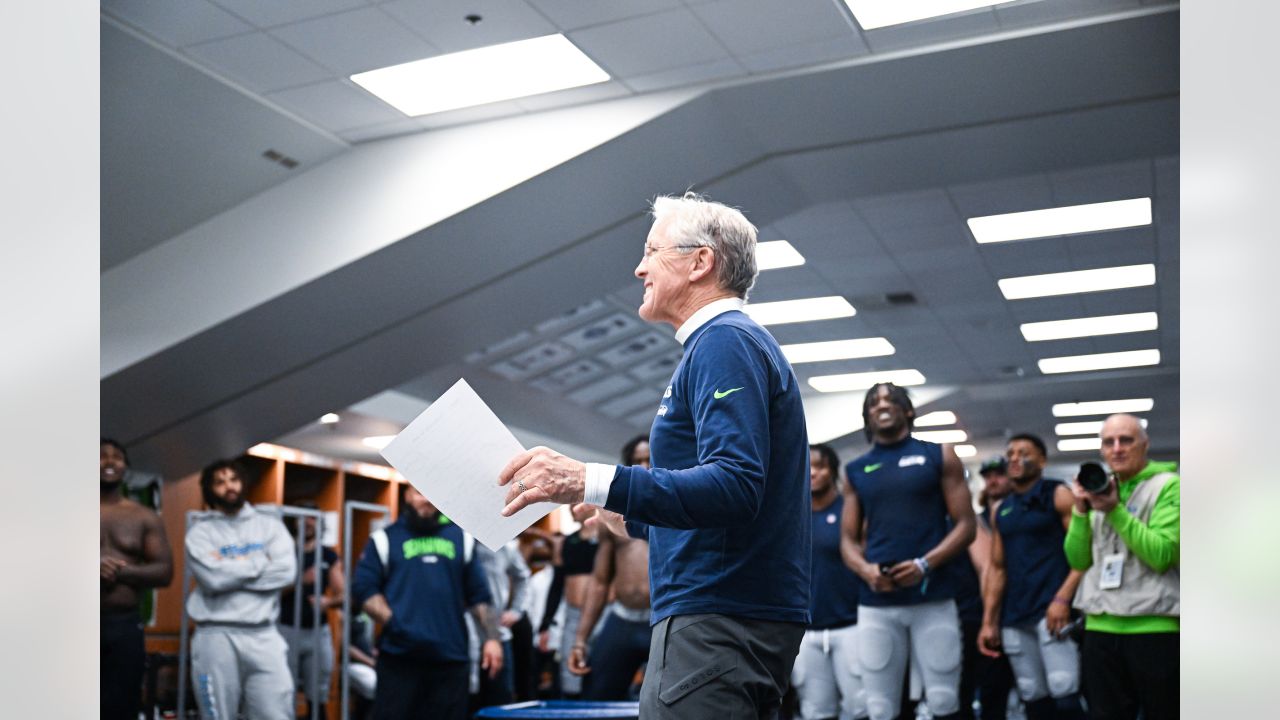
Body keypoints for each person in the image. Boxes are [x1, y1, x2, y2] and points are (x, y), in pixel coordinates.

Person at [498, 192, 812, 718]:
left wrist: (590, 480)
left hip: (718, 617)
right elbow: (723, 504)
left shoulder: (724, 342)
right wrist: (633, 517)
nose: (639, 267)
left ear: (700, 262)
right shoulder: (722, 344)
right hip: (727, 612)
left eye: (652, 250)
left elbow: (735, 486)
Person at [840, 383, 976, 720]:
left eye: (890, 399)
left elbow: (966, 526)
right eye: (874, 401)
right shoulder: (855, 470)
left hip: (933, 597)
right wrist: (865, 570)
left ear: (909, 411)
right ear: (867, 417)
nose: (882, 405)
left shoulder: (940, 454)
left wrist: (924, 565)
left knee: (944, 701)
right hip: (877, 602)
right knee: (880, 708)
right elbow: (847, 540)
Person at [350, 485, 503, 720]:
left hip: (450, 659)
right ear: (408, 496)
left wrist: (492, 638)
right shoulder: (385, 539)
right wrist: (397, 623)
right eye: (420, 493)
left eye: (433, 494)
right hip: (400, 659)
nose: (427, 500)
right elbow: (363, 589)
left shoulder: (461, 538)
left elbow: (479, 595)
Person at [1064, 414, 1179, 720]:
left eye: (1126, 440)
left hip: (1154, 627)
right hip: (1100, 626)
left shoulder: (1169, 486)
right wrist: (1080, 510)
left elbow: (1162, 554)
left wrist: (1115, 511)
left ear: (1145, 445)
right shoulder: (1100, 490)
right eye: (1108, 442)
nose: (1117, 449)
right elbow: (1078, 560)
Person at [978, 434, 1084, 719]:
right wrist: (989, 622)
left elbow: (1085, 554)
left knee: (1064, 690)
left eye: (1023, 452)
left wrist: (1063, 599)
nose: (1014, 458)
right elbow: (997, 568)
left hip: (1052, 611)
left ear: (1042, 460)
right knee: (1032, 695)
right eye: (1010, 453)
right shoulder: (1002, 510)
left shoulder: (1058, 495)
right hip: (1014, 615)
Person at [185, 459, 297, 720]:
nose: (229, 486)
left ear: (243, 483)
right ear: (210, 489)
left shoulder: (270, 526)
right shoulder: (200, 532)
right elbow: (212, 578)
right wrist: (261, 563)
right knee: (216, 715)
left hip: (263, 635)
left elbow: (286, 573)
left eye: (233, 479)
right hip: (216, 635)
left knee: (276, 713)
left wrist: (229, 567)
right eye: (220, 482)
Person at [568, 435, 654, 701]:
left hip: (662, 620)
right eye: (636, 461)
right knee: (596, 697)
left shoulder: (678, 508)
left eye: (648, 459)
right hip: (623, 619)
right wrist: (581, 638)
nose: (642, 466)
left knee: (669, 704)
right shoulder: (615, 514)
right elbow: (600, 581)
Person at [791, 443, 866, 720]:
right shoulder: (792, 515)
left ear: (833, 471)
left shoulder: (851, 509)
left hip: (851, 624)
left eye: (820, 466)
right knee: (816, 711)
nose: (812, 473)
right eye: (807, 466)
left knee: (861, 708)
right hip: (807, 630)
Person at [100, 438, 174, 720]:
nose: (109, 462)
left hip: (124, 626)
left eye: (116, 457)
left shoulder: (144, 517)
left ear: (125, 468)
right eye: (101, 456)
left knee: (122, 708)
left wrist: (120, 571)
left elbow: (164, 572)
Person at [278, 505, 343, 719]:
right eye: (302, 518)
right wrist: (299, 580)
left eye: (312, 519)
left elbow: (344, 594)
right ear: (294, 522)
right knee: (282, 694)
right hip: (285, 631)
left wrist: (328, 601)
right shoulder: (283, 551)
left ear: (319, 523)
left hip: (317, 631)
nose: (307, 522)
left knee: (318, 696)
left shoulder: (328, 555)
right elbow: (268, 589)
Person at [967, 457, 1016, 720]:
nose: (993, 481)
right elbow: (987, 569)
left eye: (999, 474)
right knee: (991, 692)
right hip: (985, 616)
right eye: (988, 476)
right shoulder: (977, 521)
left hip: (1022, 610)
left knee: (1041, 691)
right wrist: (989, 620)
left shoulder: (1022, 512)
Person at [536, 506, 598, 698]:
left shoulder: (608, 537)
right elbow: (556, 586)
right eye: (570, 506)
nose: (572, 509)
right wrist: (545, 623)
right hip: (573, 615)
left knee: (602, 670)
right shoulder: (568, 542)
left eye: (576, 504)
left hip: (603, 614)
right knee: (569, 674)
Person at [468, 538, 531, 710]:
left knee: (500, 702)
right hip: (464, 635)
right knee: (464, 702)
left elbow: (523, 577)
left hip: (498, 634)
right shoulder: (457, 542)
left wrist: (517, 610)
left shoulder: (506, 546)